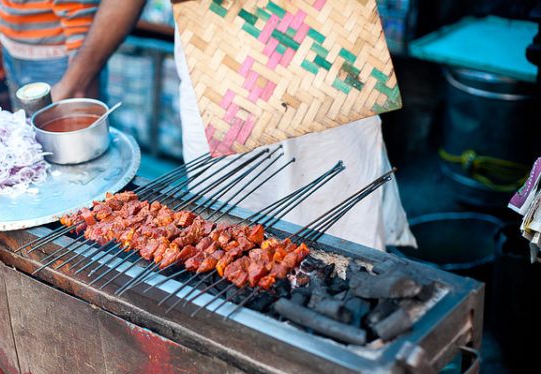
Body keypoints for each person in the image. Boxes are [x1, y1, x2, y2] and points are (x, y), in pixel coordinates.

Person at [41, 0, 416, 251]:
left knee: (342, 230)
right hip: (220, 72)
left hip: (321, 51)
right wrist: (76, 79)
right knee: (228, 231)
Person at [0, 0, 148, 108]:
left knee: (68, 144)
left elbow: (79, 13)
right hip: (12, 49)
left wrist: (77, 83)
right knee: (27, 138)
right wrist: (0, 29)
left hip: (59, 60)